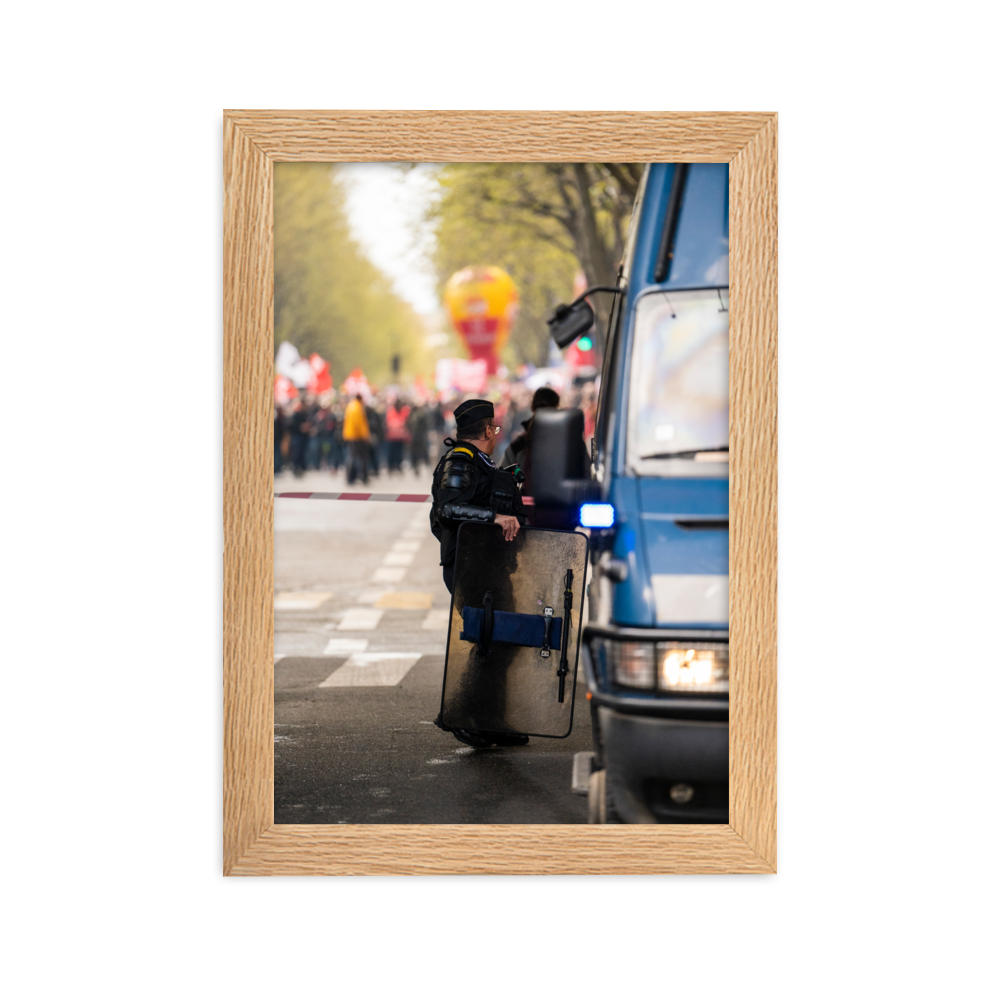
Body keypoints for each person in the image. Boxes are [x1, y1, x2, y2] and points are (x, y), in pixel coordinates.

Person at [430, 398, 529, 749]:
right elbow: (447, 509)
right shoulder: (459, 461)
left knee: (503, 638)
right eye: (495, 429)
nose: (496, 434)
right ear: (487, 430)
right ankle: (460, 714)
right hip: (469, 567)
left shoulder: (484, 464)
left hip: (491, 565)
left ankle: (490, 720)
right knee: (491, 639)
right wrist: (494, 518)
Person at [342, 393, 371, 485]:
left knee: (351, 456)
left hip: (350, 435)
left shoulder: (350, 406)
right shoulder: (358, 407)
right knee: (360, 458)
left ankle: (351, 477)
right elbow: (360, 423)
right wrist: (365, 435)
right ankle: (360, 477)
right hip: (357, 436)